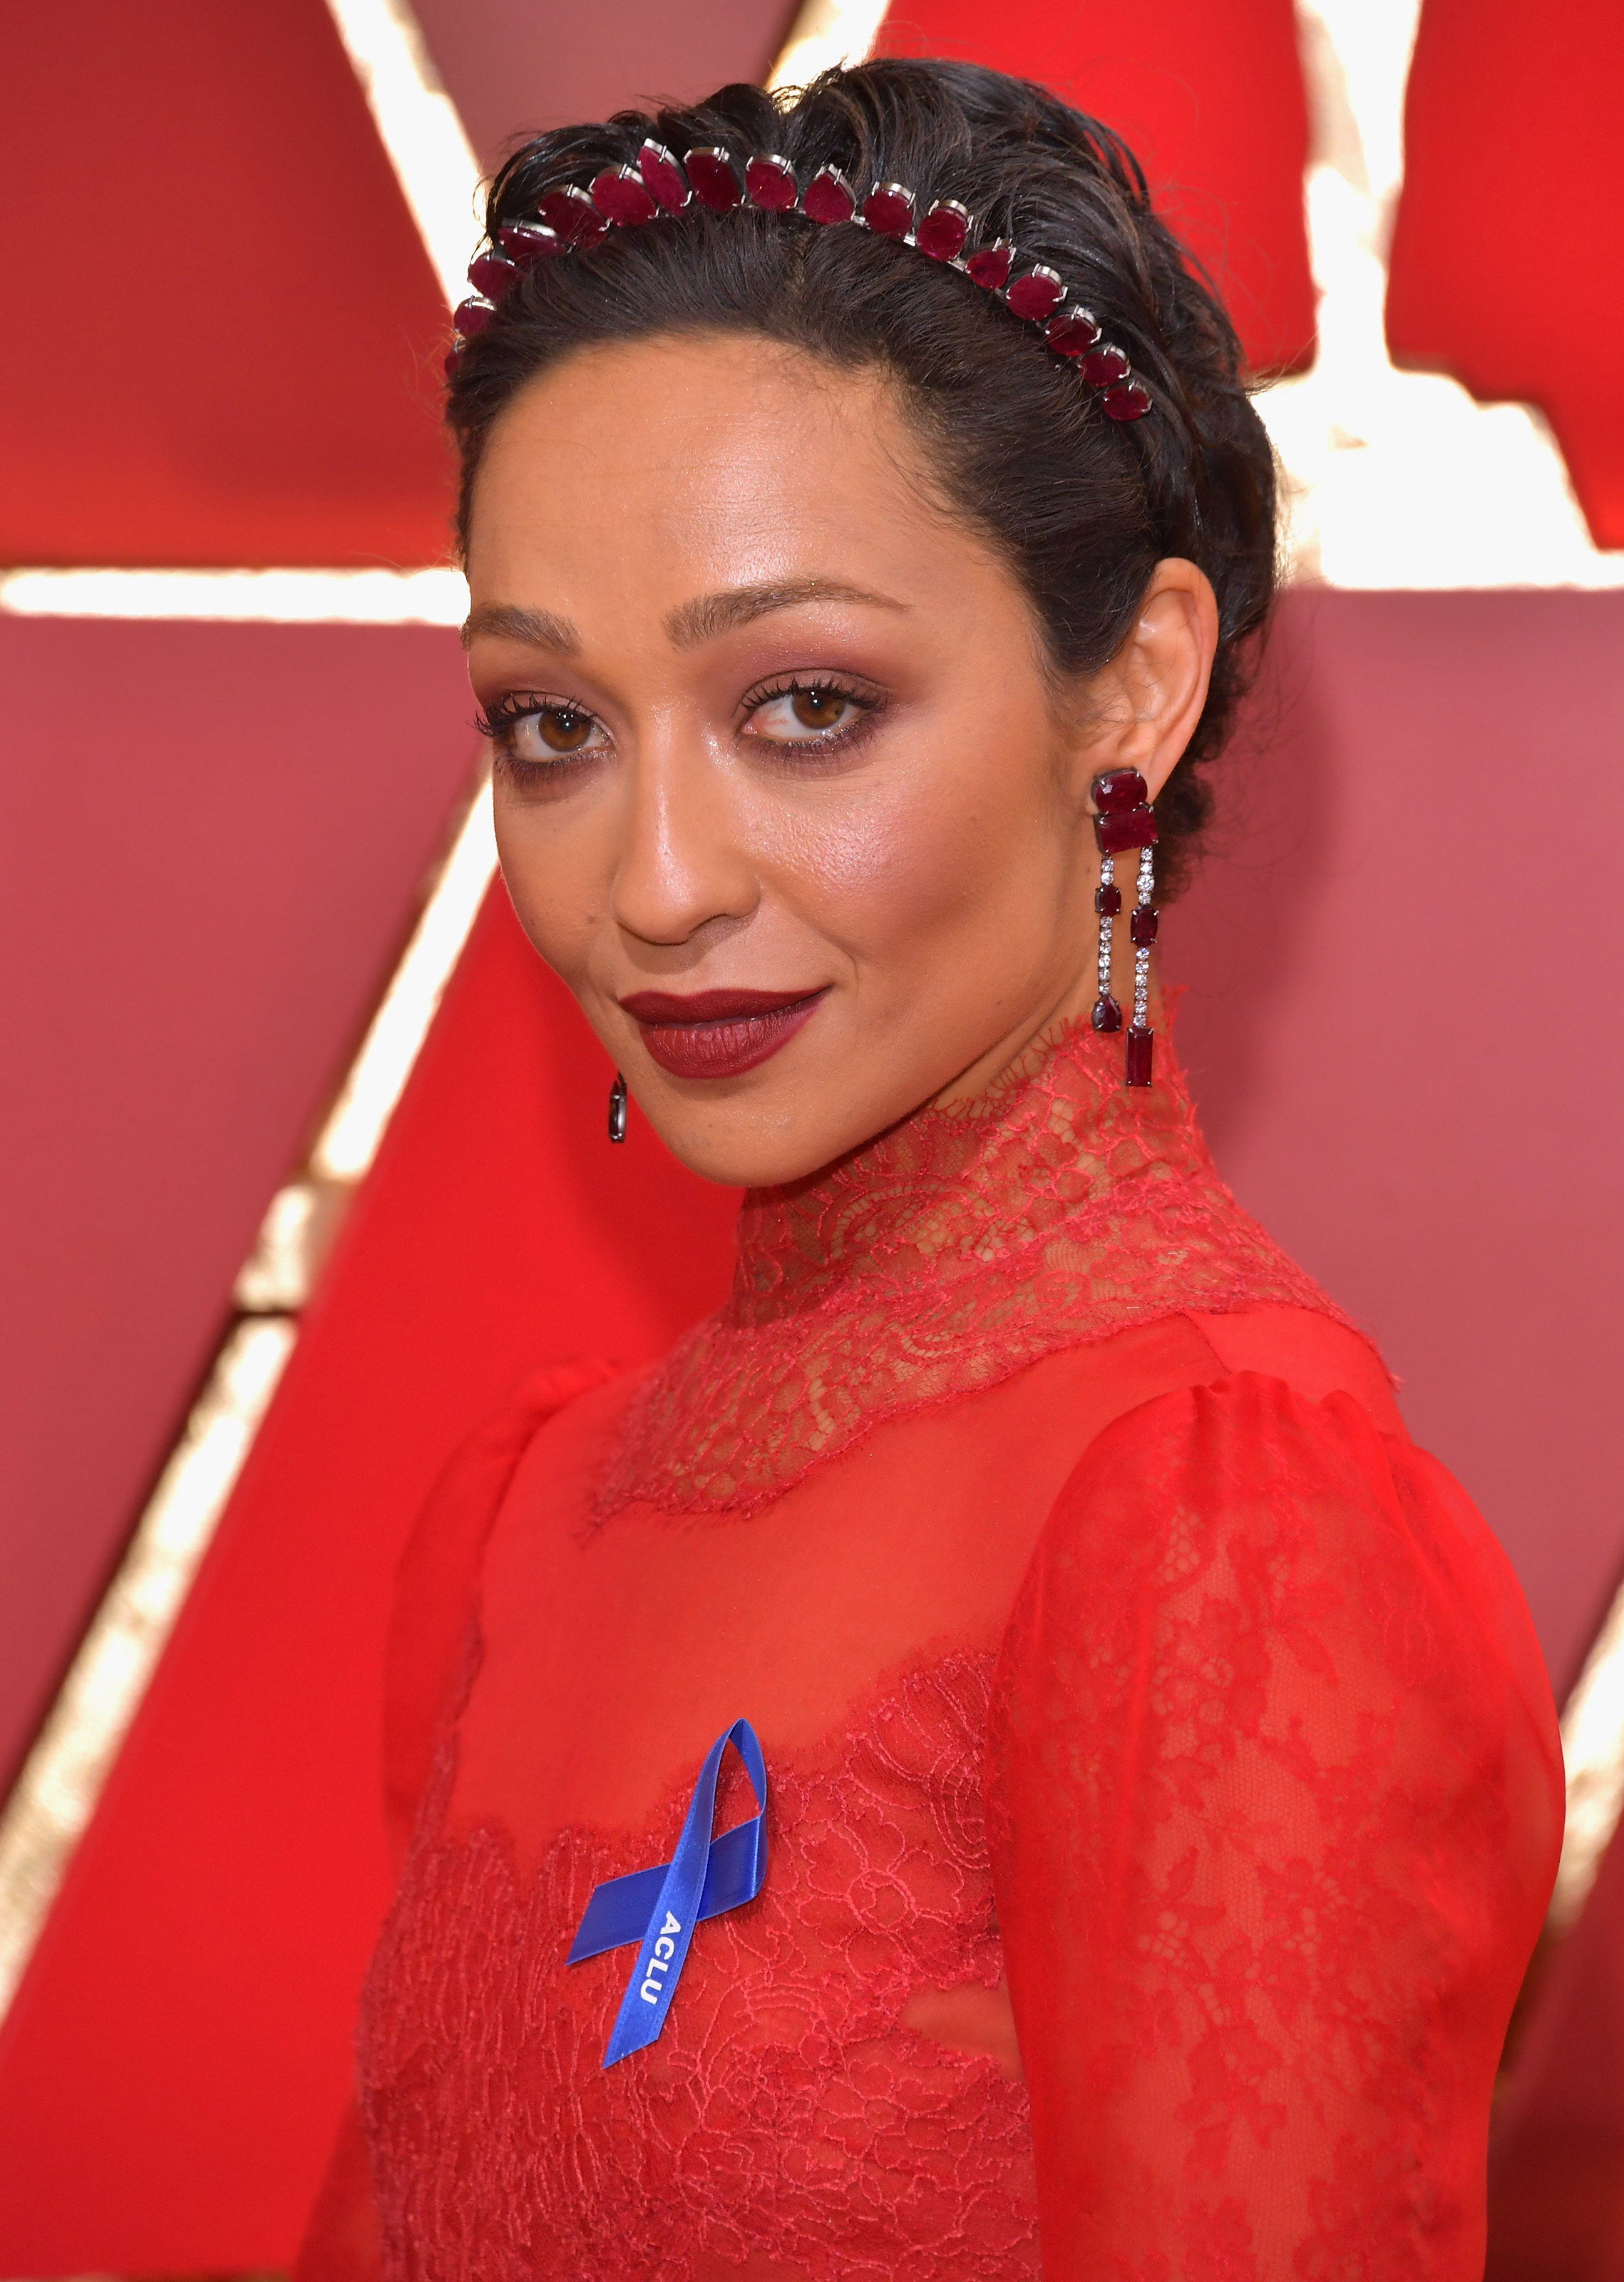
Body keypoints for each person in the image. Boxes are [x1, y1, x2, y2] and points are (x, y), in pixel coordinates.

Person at [297, 58, 1563, 2281]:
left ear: (1131, 690)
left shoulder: (1213, 1529)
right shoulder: (526, 1518)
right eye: (550, 725)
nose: (654, 881)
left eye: (804, 704)